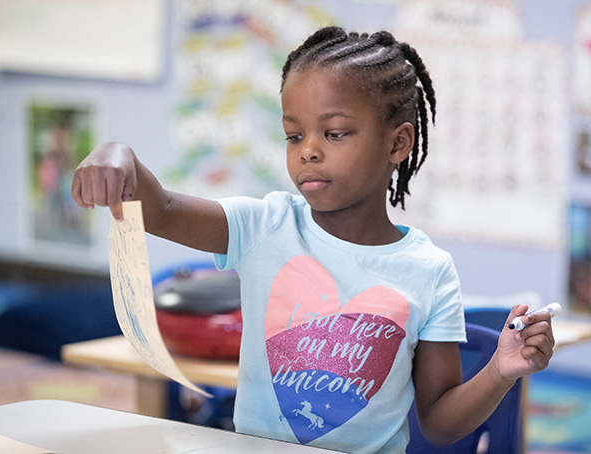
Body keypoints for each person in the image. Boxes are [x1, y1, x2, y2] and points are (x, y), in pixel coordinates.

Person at [71, 26, 555, 454]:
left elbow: (440, 422)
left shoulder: (429, 271)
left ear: (398, 143)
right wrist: (119, 156)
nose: (309, 151)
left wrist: (498, 371)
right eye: (293, 135)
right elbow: (164, 209)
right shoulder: (264, 226)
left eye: (336, 133)